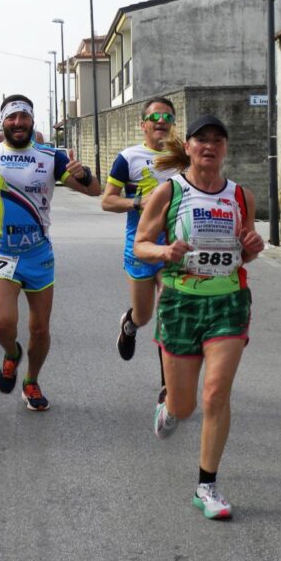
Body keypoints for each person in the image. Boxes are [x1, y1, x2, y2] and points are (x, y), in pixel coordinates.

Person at [134, 114, 264, 520]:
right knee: (186, 405)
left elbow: (246, 251)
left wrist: (253, 246)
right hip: (179, 303)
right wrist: (164, 252)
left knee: (216, 395)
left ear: (226, 148)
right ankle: (169, 408)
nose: (209, 146)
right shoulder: (170, 191)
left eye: (218, 140)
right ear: (187, 147)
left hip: (228, 302)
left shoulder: (240, 195)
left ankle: (207, 486)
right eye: (201, 139)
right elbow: (140, 245)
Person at [0, 94, 101, 411]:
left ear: (31, 120)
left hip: (38, 254)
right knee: (3, 325)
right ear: (4, 121)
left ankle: (31, 381)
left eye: (23, 116)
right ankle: (12, 353)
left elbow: (94, 191)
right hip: (0, 251)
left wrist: (83, 175)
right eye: (11, 117)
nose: (17, 123)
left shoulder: (50, 157)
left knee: (39, 329)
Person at [102, 97, 179, 378]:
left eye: (168, 117)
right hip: (140, 246)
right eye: (155, 117)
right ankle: (130, 324)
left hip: (174, 247)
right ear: (143, 124)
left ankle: (167, 387)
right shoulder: (128, 157)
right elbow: (107, 201)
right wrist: (137, 202)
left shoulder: (184, 157)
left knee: (170, 315)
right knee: (145, 315)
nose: (162, 121)